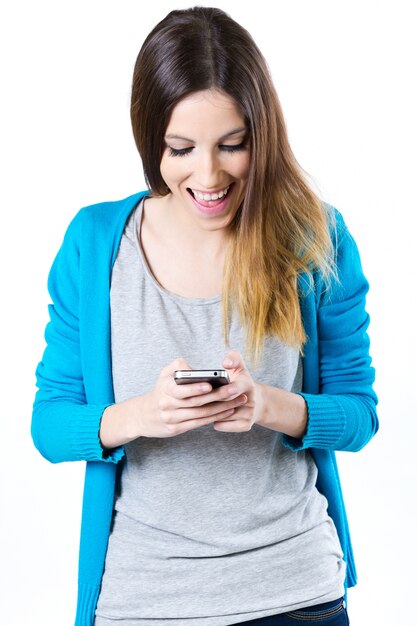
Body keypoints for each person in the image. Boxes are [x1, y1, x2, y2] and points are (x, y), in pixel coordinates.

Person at [31, 6, 378, 626]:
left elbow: (360, 415)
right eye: (181, 149)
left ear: (260, 136)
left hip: (294, 594)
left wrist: (268, 405)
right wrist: (143, 415)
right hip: (141, 600)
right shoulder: (94, 244)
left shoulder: (313, 238)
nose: (209, 174)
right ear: (149, 139)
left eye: (232, 145)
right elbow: (50, 425)